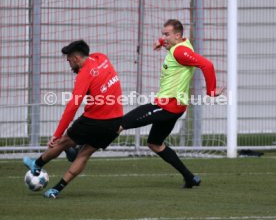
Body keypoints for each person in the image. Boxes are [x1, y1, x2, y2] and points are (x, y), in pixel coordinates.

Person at [118, 19, 224, 188]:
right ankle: (189, 177)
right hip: (175, 108)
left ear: (178, 35)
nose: (163, 37)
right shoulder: (183, 43)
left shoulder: (180, 52)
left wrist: (211, 92)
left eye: (166, 35)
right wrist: (162, 42)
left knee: (120, 123)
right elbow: (174, 42)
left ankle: (80, 150)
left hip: (167, 106)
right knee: (155, 143)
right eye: (163, 34)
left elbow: (207, 64)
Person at [23, 40, 123, 198]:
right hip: (115, 121)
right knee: (84, 154)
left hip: (95, 120)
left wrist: (56, 135)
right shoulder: (101, 58)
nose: (69, 65)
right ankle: (56, 190)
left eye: (69, 60)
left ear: (76, 58)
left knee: (62, 142)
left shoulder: (84, 74)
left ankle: (37, 165)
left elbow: (72, 107)